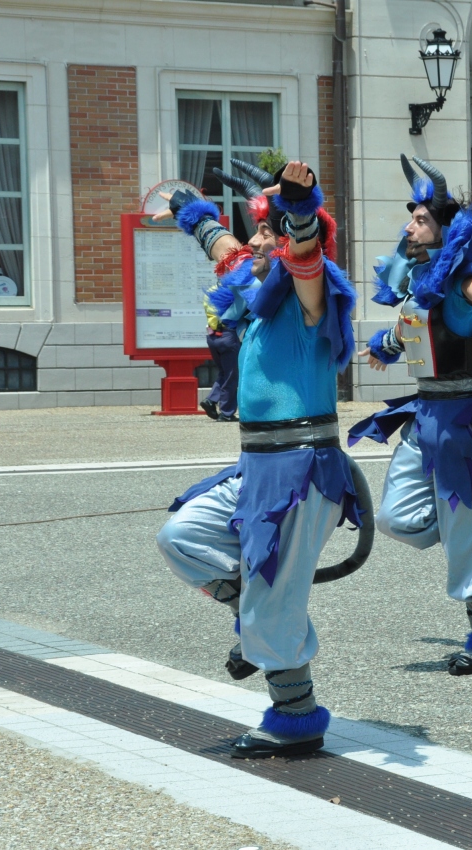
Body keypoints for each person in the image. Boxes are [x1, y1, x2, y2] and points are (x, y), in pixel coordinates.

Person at [154, 160, 364, 758]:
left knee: (274, 599)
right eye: (257, 232)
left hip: (302, 471)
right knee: (181, 536)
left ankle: (296, 717)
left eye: (268, 232)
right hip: (258, 469)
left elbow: (305, 254)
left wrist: (299, 206)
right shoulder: (256, 286)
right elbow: (225, 248)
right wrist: (191, 212)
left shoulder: (308, 298)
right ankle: (258, 612)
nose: (256, 242)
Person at [351, 155, 472, 675]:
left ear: (447, 230)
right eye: (411, 218)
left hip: (466, 423)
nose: (409, 226)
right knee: (395, 517)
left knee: (467, 540)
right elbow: (412, 326)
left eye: (421, 219)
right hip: (425, 416)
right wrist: (382, 346)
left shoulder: (461, 281)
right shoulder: (420, 281)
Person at [201, 301, 241, 422]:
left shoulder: (210, 293)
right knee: (231, 375)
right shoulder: (234, 293)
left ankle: (211, 400)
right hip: (229, 335)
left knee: (224, 372)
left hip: (213, 336)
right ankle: (226, 413)